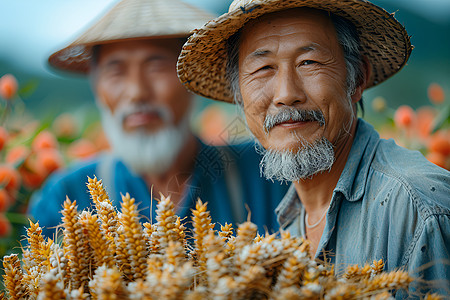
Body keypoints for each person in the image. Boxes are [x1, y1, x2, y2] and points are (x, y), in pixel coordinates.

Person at [177, 0, 450, 296]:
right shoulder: (291, 220)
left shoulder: (419, 209)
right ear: (240, 98)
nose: (286, 94)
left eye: (309, 63)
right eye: (263, 68)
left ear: (357, 78)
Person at [28, 0, 288, 239]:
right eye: (116, 71)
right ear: (97, 87)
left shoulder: (266, 173)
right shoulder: (67, 197)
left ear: (193, 77)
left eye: (156, 66)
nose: (137, 92)